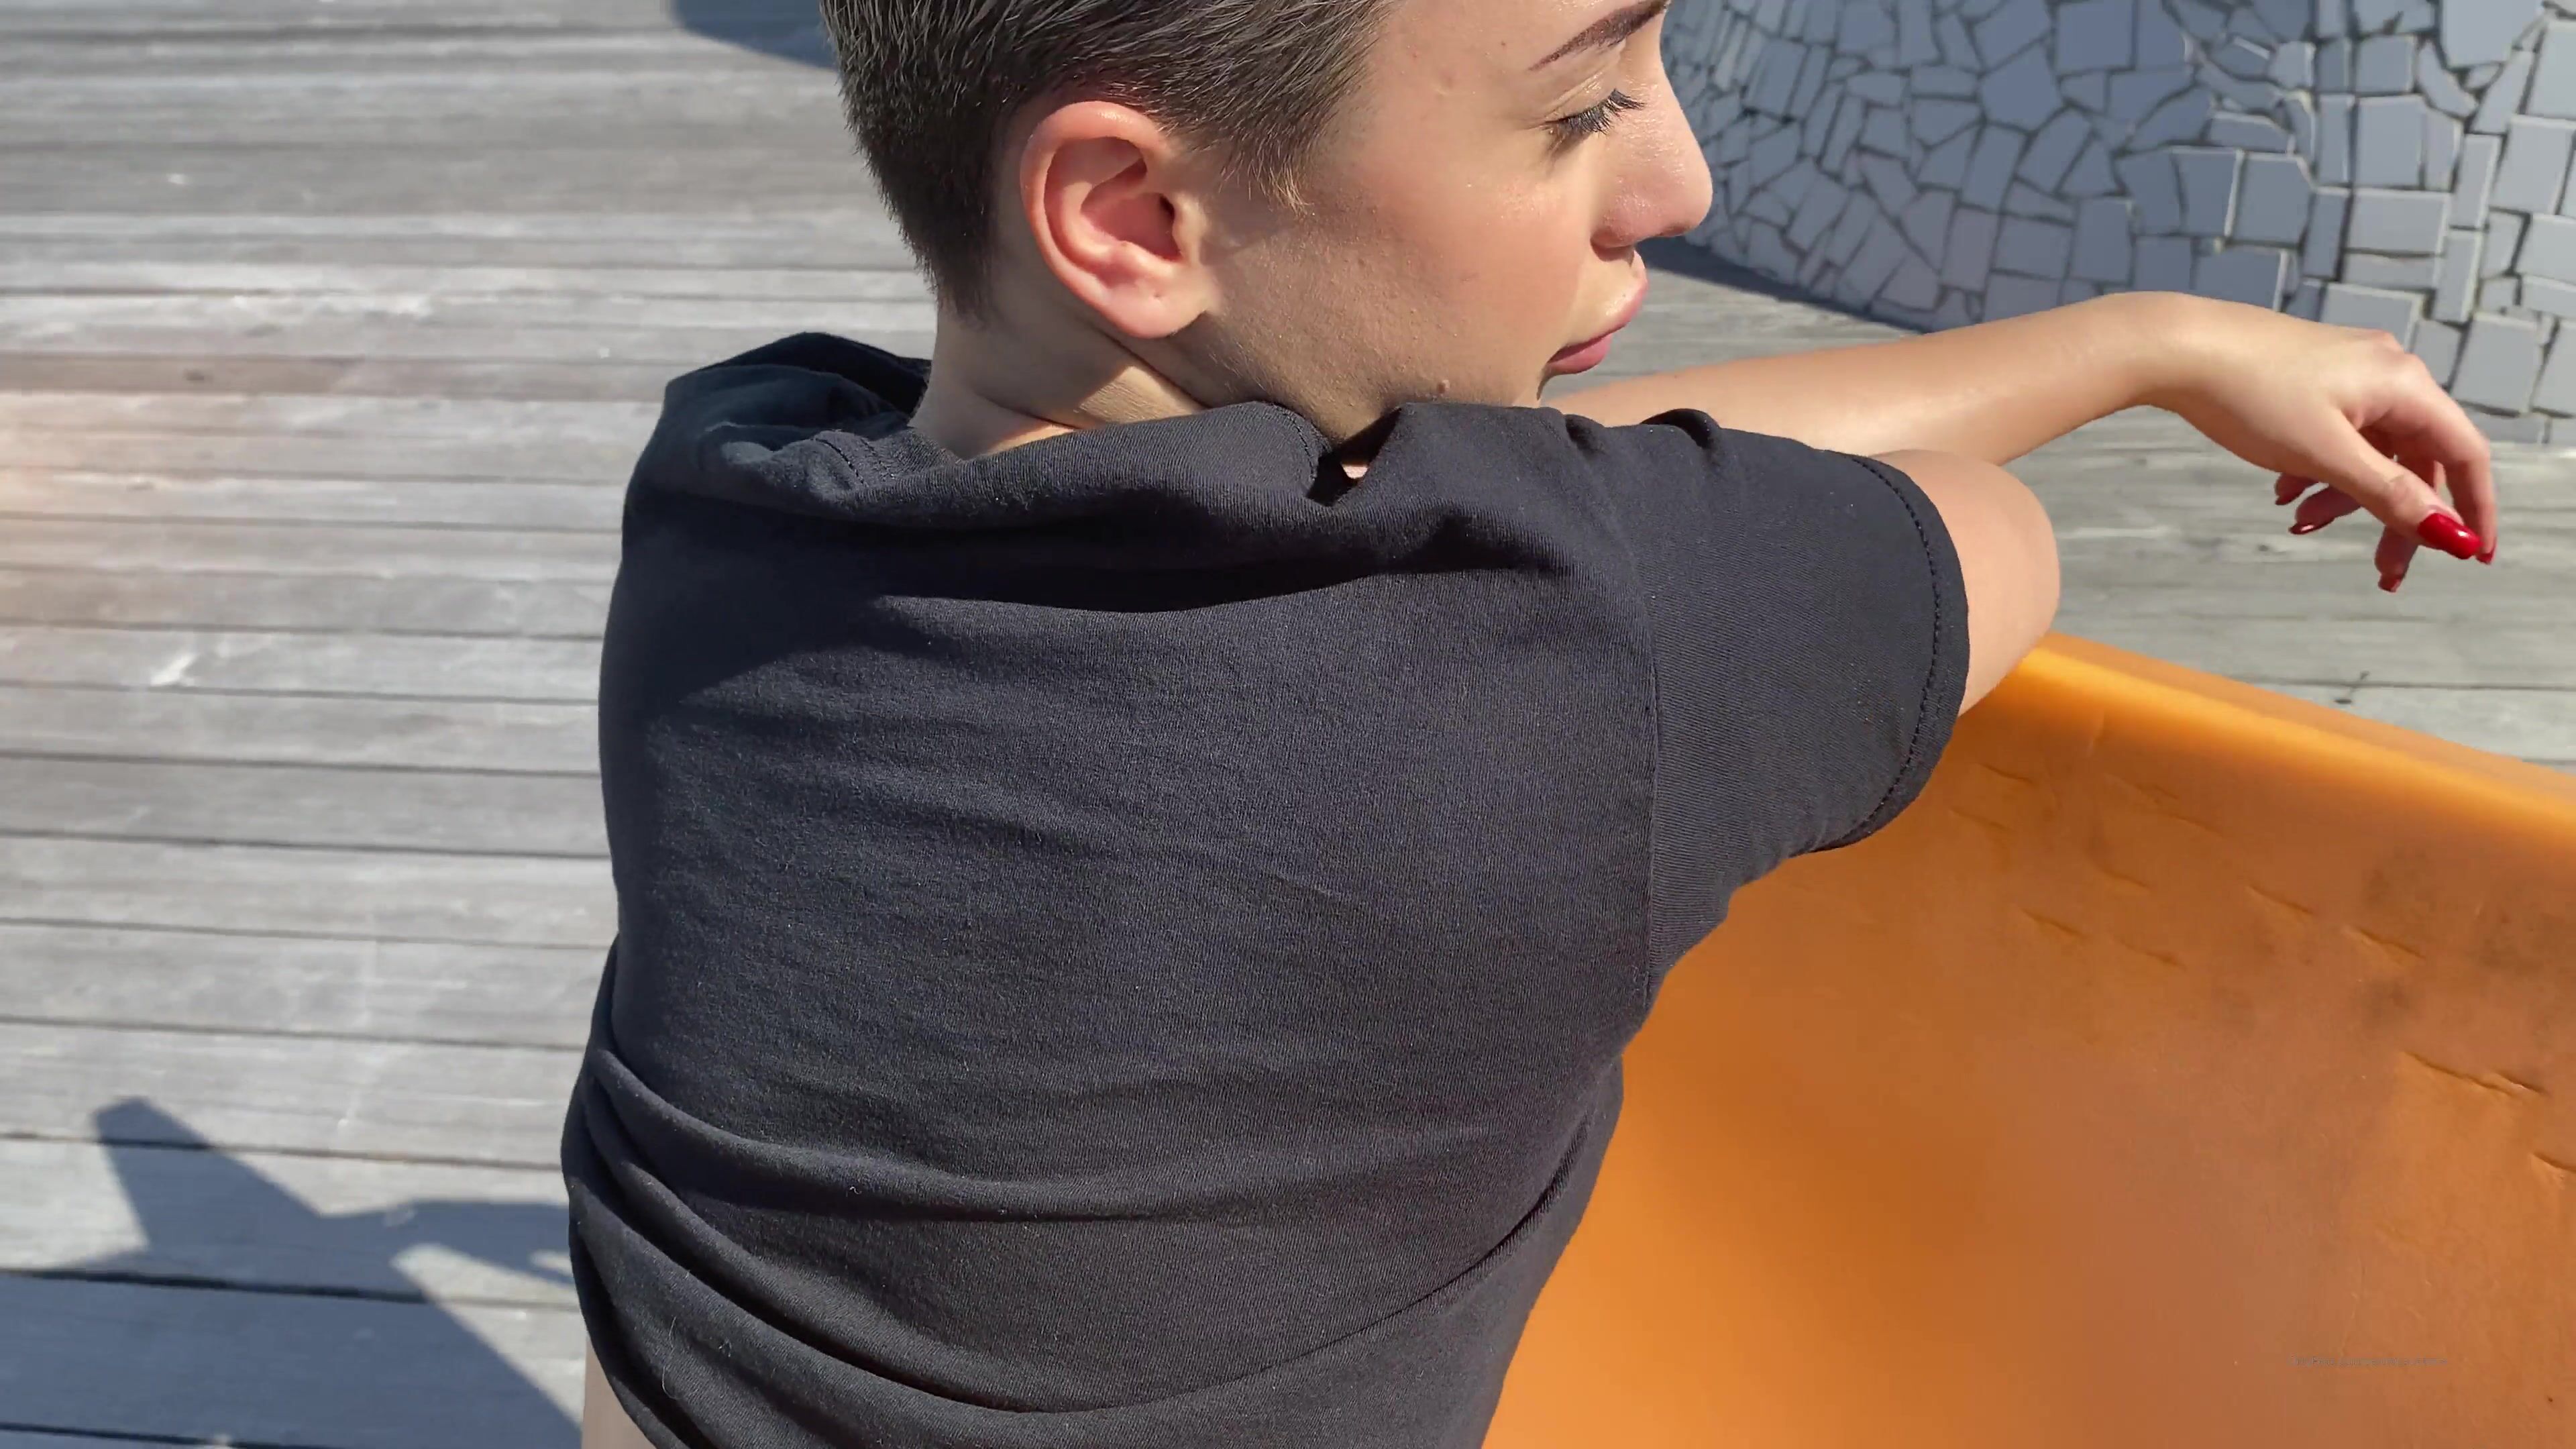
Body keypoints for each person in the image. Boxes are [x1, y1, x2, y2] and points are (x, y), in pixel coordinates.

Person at [561, 1, 2500, 1445]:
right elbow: (1954, 530)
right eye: (1581, 107)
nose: (1680, 185)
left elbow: (1555, 497)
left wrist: (2144, 345)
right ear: (1134, 212)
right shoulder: (1593, 653)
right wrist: (2151, 345)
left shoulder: (734, 495)